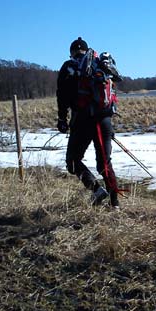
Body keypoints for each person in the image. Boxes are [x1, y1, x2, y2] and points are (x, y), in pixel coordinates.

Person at [56, 37, 121, 209]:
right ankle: (115, 204)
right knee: (104, 163)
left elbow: (62, 96)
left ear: (71, 52)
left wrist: (62, 119)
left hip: (82, 120)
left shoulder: (69, 67)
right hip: (104, 120)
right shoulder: (101, 67)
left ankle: (96, 189)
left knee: (72, 161)